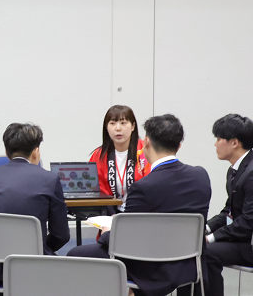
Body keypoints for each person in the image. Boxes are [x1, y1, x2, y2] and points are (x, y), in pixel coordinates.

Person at [68, 114, 212, 296]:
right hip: (189, 263)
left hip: (152, 266)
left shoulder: (143, 187)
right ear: (179, 146)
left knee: (76, 254)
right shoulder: (200, 176)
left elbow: (125, 238)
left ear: (147, 143)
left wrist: (106, 233)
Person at [0, 123, 70, 295]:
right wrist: (39, 248)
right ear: (36, 151)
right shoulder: (49, 180)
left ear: (6, 151)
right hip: (32, 268)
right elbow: (61, 235)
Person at [203, 114, 253, 296]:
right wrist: (204, 229)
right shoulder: (236, 169)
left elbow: (247, 222)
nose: (215, 144)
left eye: (219, 139)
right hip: (242, 238)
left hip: (249, 242)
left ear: (234, 143)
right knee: (197, 248)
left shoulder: (251, 173)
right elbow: (228, 212)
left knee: (206, 252)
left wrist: (211, 238)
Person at [89, 105, 151, 211]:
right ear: (106, 127)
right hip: (109, 214)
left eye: (123, 123)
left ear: (133, 126)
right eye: (112, 123)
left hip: (141, 212)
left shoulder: (145, 150)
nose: (118, 128)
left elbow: (152, 184)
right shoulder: (99, 155)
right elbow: (95, 189)